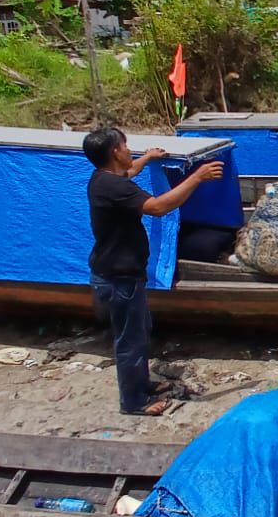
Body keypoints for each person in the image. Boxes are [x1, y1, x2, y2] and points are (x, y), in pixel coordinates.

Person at [84, 127, 225, 416]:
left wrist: (148, 157)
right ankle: (133, 403)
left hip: (122, 275)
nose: (129, 150)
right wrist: (197, 177)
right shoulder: (114, 187)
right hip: (119, 279)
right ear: (115, 152)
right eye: (125, 146)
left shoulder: (103, 178)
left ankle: (142, 384)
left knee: (140, 333)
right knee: (129, 342)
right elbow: (159, 207)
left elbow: (130, 171)